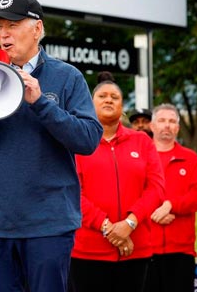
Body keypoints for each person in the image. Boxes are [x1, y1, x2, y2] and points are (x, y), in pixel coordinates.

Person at [0, 0, 103, 292]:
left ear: (37, 28)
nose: (3, 33)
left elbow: (88, 139)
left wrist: (41, 103)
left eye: (12, 23)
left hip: (48, 226)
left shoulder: (67, 77)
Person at [69, 81, 164, 291]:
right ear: (90, 103)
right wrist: (109, 229)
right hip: (88, 251)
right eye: (102, 96)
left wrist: (129, 224)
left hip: (135, 249)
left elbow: (156, 188)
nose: (109, 99)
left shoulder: (142, 141)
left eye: (115, 96)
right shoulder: (77, 142)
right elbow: (72, 192)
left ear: (122, 108)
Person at [146, 103, 197, 292]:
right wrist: (155, 212)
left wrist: (171, 206)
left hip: (181, 250)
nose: (167, 125)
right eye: (162, 120)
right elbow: (129, 194)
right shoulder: (140, 157)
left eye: (172, 121)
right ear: (152, 126)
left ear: (178, 128)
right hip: (145, 247)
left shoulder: (190, 159)